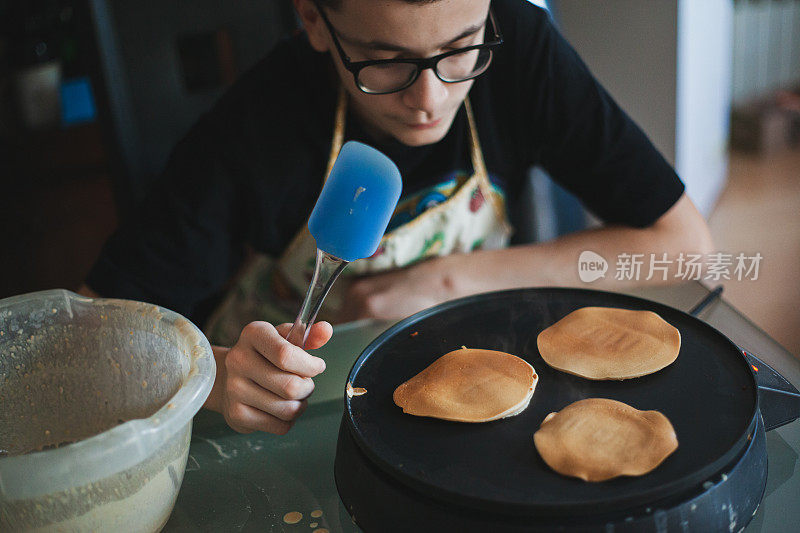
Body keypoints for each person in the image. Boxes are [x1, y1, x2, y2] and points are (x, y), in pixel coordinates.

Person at [79, 0, 714, 436]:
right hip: (292, 419)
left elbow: (685, 246)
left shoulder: (522, 51)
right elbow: (90, 335)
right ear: (313, 18)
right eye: (386, 61)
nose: (429, 100)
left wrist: (449, 280)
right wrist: (217, 378)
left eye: (461, 47)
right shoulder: (257, 124)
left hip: (472, 383)